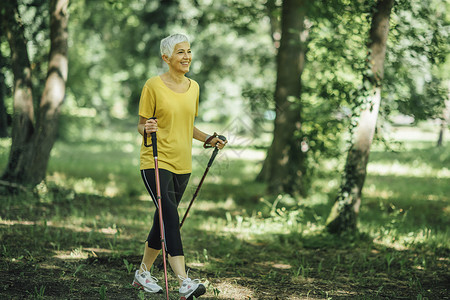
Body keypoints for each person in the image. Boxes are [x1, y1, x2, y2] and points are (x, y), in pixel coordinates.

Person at [132, 33, 227, 300]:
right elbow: (142, 124)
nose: (186, 57)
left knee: (161, 219)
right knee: (171, 217)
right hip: (155, 160)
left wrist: (208, 139)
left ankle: (142, 273)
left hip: (182, 163)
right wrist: (147, 128)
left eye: (188, 51)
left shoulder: (194, 87)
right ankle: (184, 281)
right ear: (166, 58)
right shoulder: (153, 86)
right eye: (180, 52)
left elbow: (187, 125)